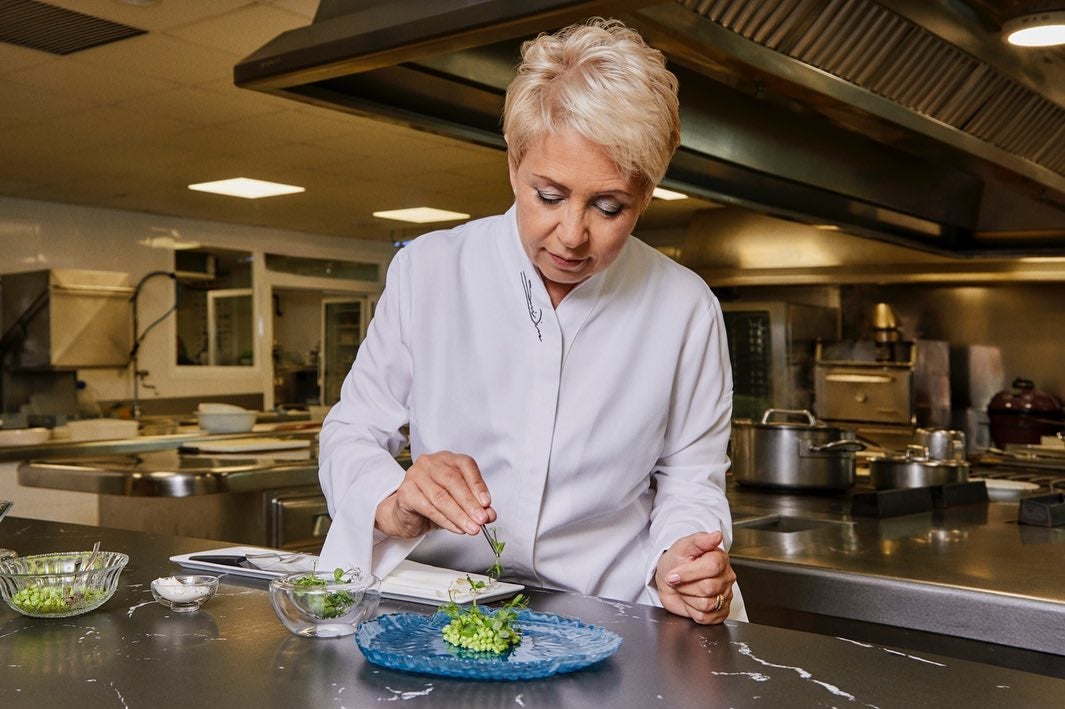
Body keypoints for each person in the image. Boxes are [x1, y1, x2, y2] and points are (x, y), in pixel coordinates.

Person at [318, 17, 744, 624]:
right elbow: (353, 431)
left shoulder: (686, 307)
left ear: (646, 194)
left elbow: (691, 479)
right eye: (549, 196)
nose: (572, 236)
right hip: (439, 607)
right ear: (515, 164)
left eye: (609, 206)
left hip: (609, 612)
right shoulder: (429, 271)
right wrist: (394, 499)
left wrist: (682, 558)